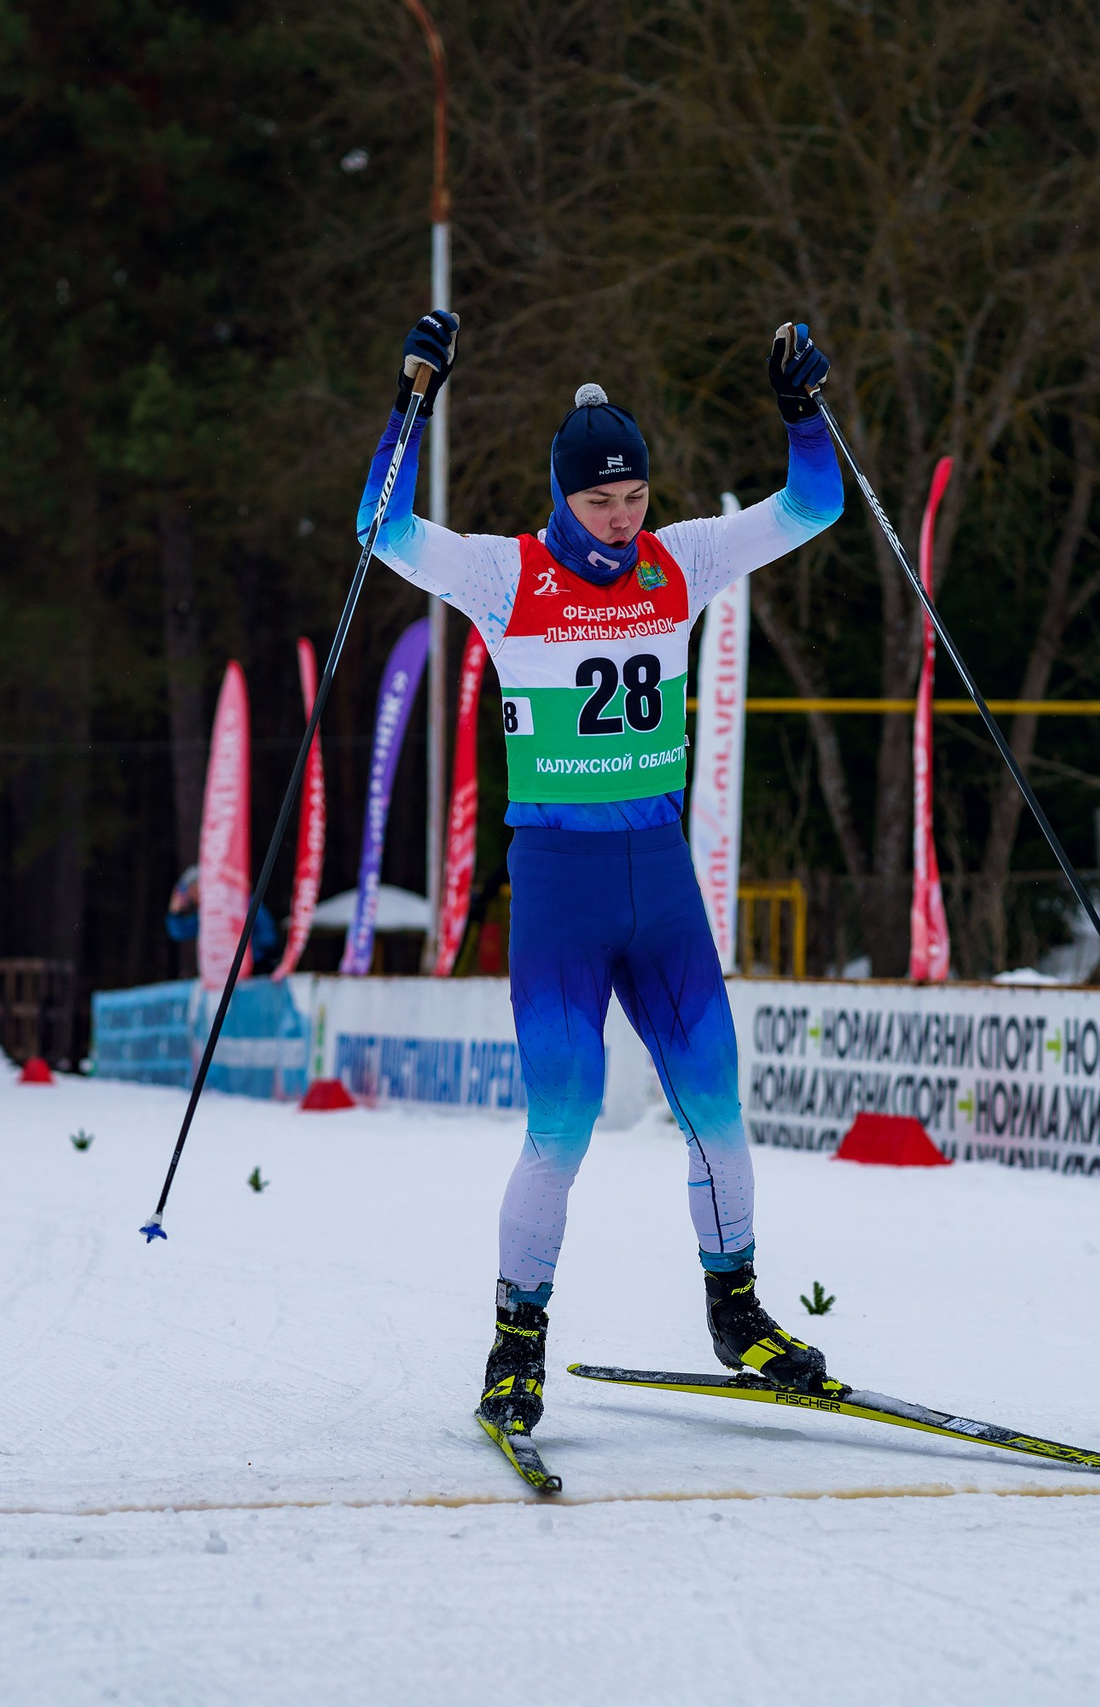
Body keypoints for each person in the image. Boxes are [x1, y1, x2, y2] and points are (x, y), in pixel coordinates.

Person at [357, 309, 843, 1451]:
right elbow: (378, 525)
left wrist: (803, 412)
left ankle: (740, 1315)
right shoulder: (502, 574)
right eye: (599, 503)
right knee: (561, 1125)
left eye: (633, 500)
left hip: (659, 883)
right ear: (560, 495)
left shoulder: (682, 558)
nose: (622, 524)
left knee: (718, 1109)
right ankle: (514, 1346)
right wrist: (410, 401)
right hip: (564, 891)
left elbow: (813, 506)